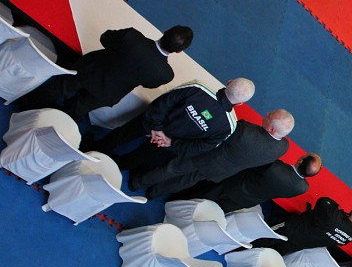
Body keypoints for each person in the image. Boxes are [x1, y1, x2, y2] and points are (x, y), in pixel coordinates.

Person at [20, 25, 194, 121]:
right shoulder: (165, 74)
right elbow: (148, 84)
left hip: (90, 69)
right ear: (179, 51)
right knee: (76, 110)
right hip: (108, 93)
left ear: (165, 30)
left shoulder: (132, 37)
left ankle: (26, 107)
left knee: (59, 88)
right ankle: (52, 123)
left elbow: (105, 38)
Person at [85, 79, 254, 170]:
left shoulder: (197, 89)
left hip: (152, 124)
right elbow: (201, 147)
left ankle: (91, 151)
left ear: (228, 82)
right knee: (139, 156)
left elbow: (163, 102)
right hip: (165, 142)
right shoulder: (228, 127)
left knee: (121, 136)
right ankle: (114, 169)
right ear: (241, 104)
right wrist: (170, 142)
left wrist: (156, 127)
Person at [129, 109, 294, 198]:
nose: (266, 114)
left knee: (172, 168)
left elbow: (221, 134)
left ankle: (138, 183)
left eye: (269, 116)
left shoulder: (245, 131)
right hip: (221, 170)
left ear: (271, 128)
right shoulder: (283, 147)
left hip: (204, 157)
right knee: (187, 180)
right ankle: (154, 193)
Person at [174, 153, 322, 212]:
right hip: (244, 201)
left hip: (231, 186)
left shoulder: (275, 167)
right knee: (211, 211)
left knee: (196, 195)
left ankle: (174, 204)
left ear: (300, 160)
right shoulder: (302, 188)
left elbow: (251, 165)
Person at [255, 196, 352, 254]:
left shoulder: (333, 216)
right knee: (272, 253)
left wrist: (337, 208)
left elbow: (323, 201)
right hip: (300, 244)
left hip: (291, 228)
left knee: (262, 238)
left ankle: (246, 245)